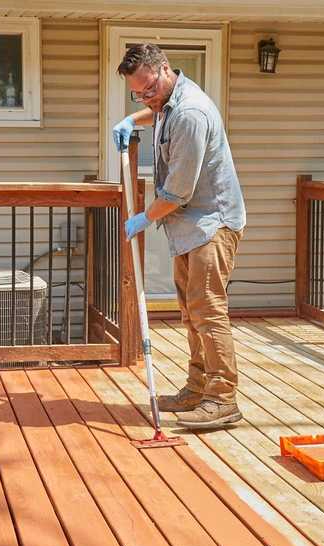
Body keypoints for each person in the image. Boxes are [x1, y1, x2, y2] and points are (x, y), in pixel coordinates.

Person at [113, 43, 246, 429]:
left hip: (211, 224)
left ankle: (222, 399)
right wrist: (132, 120)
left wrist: (142, 218)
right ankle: (197, 387)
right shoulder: (166, 103)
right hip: (189, 227)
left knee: (207, 311)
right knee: (191, 312)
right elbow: (157, 114)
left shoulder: (190, 113)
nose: (145, 98)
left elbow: (177, 193)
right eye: (137, 93)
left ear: (165, 69)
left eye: (148, 89)